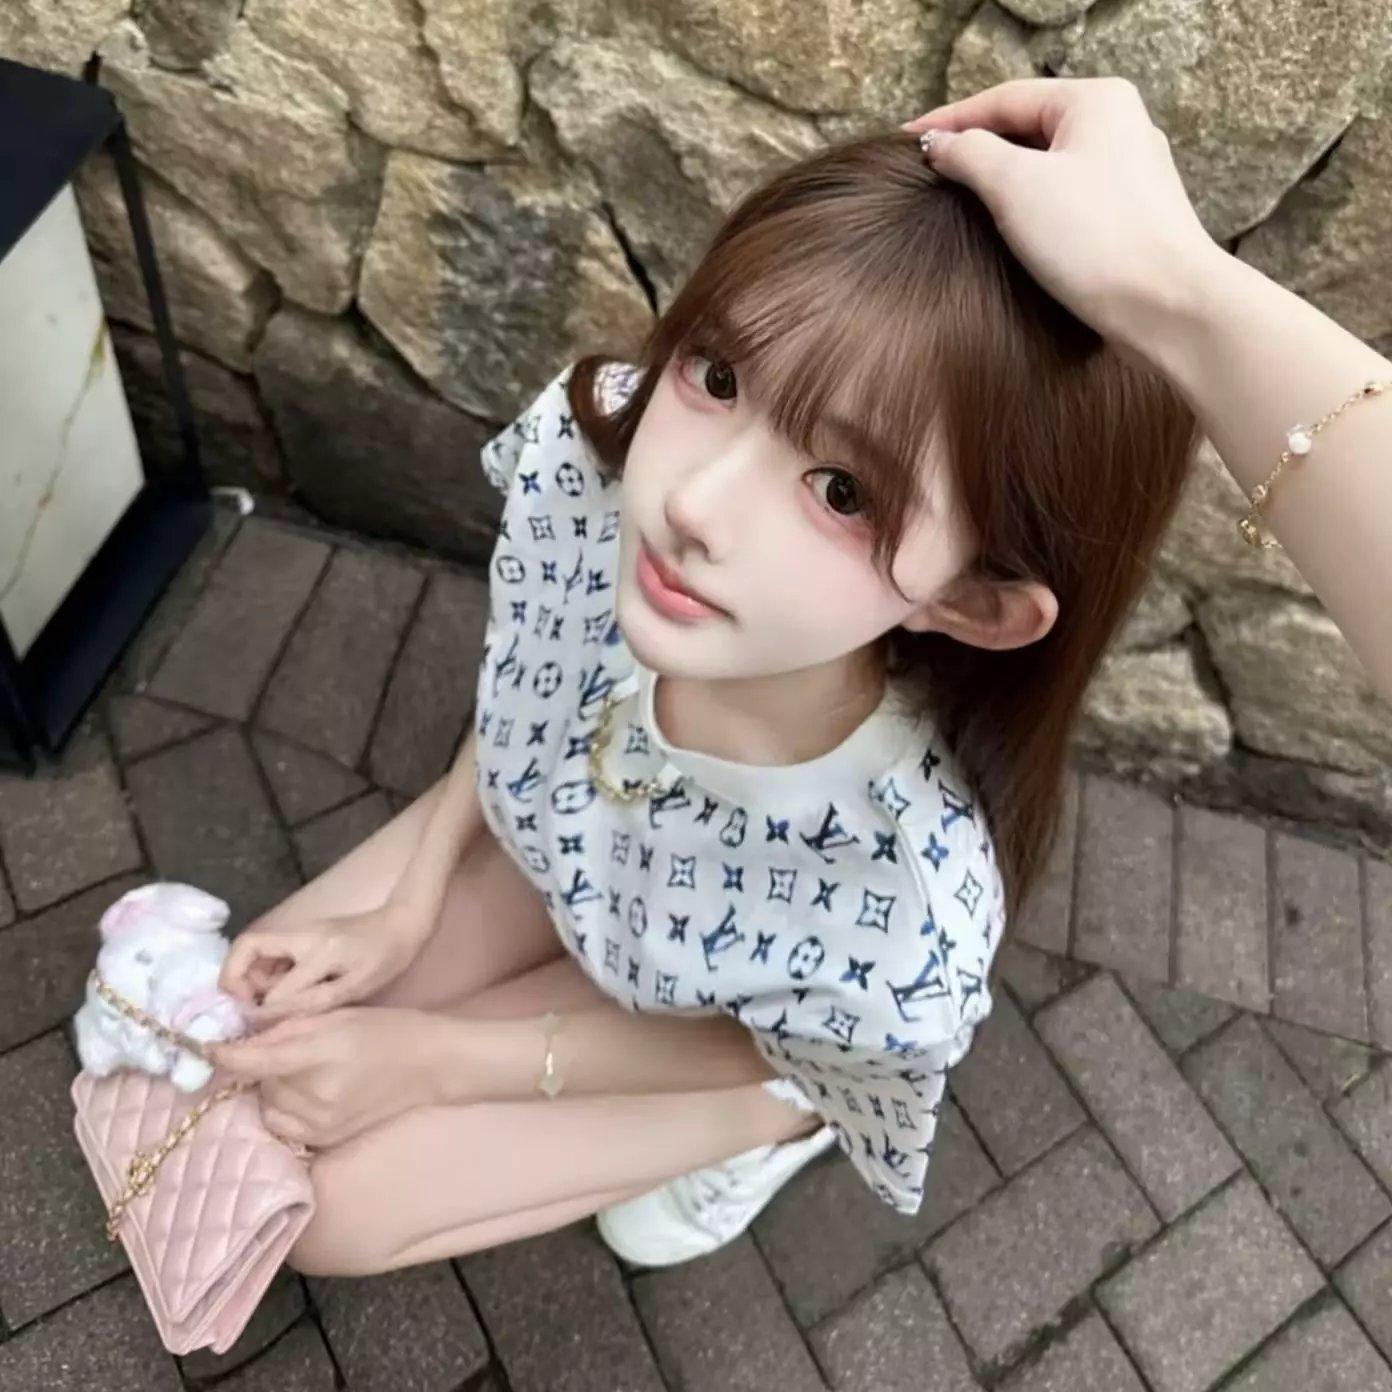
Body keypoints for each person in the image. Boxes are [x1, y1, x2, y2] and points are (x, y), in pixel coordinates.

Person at [207, 76, 1392, 1279]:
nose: (692, 503)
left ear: (970, 601)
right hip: (574, 854)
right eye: (719, 376)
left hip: (732, 1022)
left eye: (842, 491)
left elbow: (779, 1041)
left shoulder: (902, 897)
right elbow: (533, 673)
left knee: (326, 1215)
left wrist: (435, 1060)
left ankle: (773, 1134)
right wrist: (407, 904)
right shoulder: (599, 467)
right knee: (248, 1010)